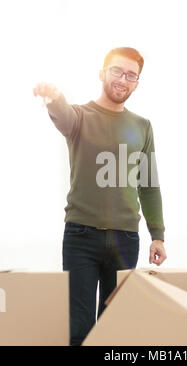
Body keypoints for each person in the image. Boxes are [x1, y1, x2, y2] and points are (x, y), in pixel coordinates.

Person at [33, 47, 167, 346]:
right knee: (80, 331)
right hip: (81, 237)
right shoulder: (80, 117)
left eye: (131, 75)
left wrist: (157, 234)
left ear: (136, 83)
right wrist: (54, 97)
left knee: (114, 331)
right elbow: (62, 115)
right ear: (102, 73)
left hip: (125, 240)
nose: (123, 79)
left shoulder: (142, 127)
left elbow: (149, 183)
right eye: (117, 71)